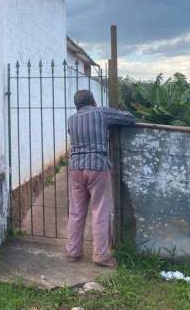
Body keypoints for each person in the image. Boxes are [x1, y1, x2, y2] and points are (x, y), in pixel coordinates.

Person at [66, 89, 135, 267]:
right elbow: (129, 118)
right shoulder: (101, 112)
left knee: (76, 211)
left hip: (75, 168)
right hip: (97, 166)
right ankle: (101, 255)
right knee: (100, 210)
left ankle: (73, 252)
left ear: (77, 105)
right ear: (93, 101)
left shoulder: (71, 120)